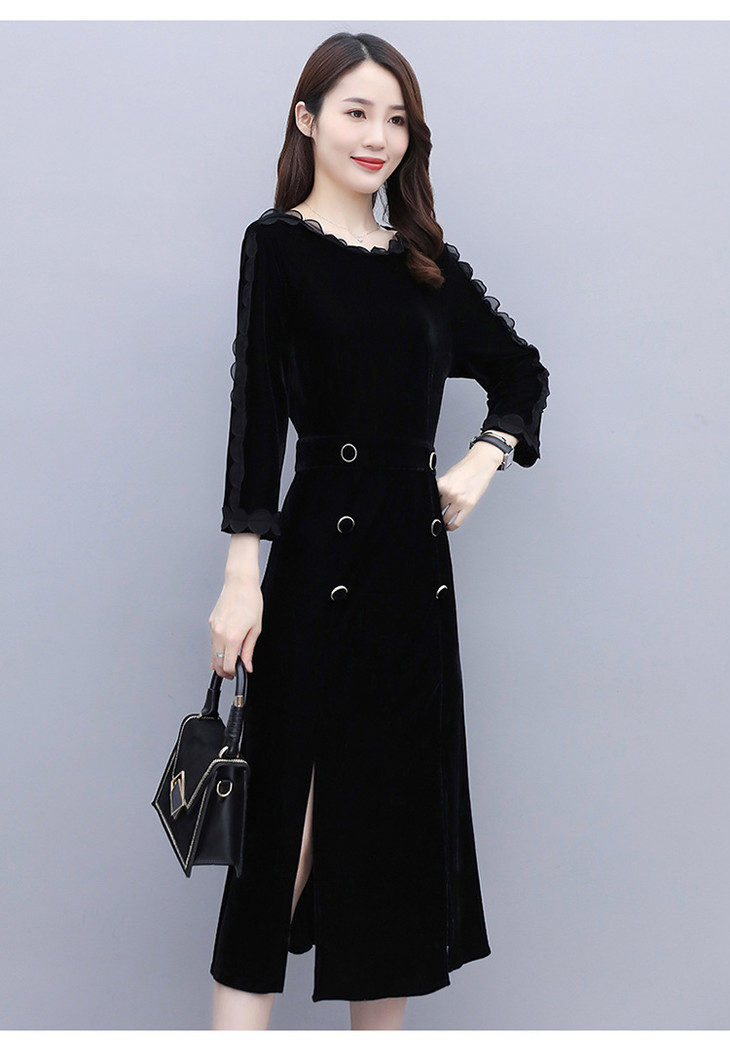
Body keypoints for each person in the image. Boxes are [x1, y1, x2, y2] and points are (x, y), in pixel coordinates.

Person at [208, 31, 550, 1031]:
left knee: (392, 847)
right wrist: (241, 576)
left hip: (411, 575)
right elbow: (255, 416)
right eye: (356, 111)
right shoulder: (277, 246)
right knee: (280, 840)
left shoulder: (423, 263)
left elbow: (521, 371)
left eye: (396, 118)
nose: (378, 136)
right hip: (317, 558)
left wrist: (484, 456)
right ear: (307, 118)